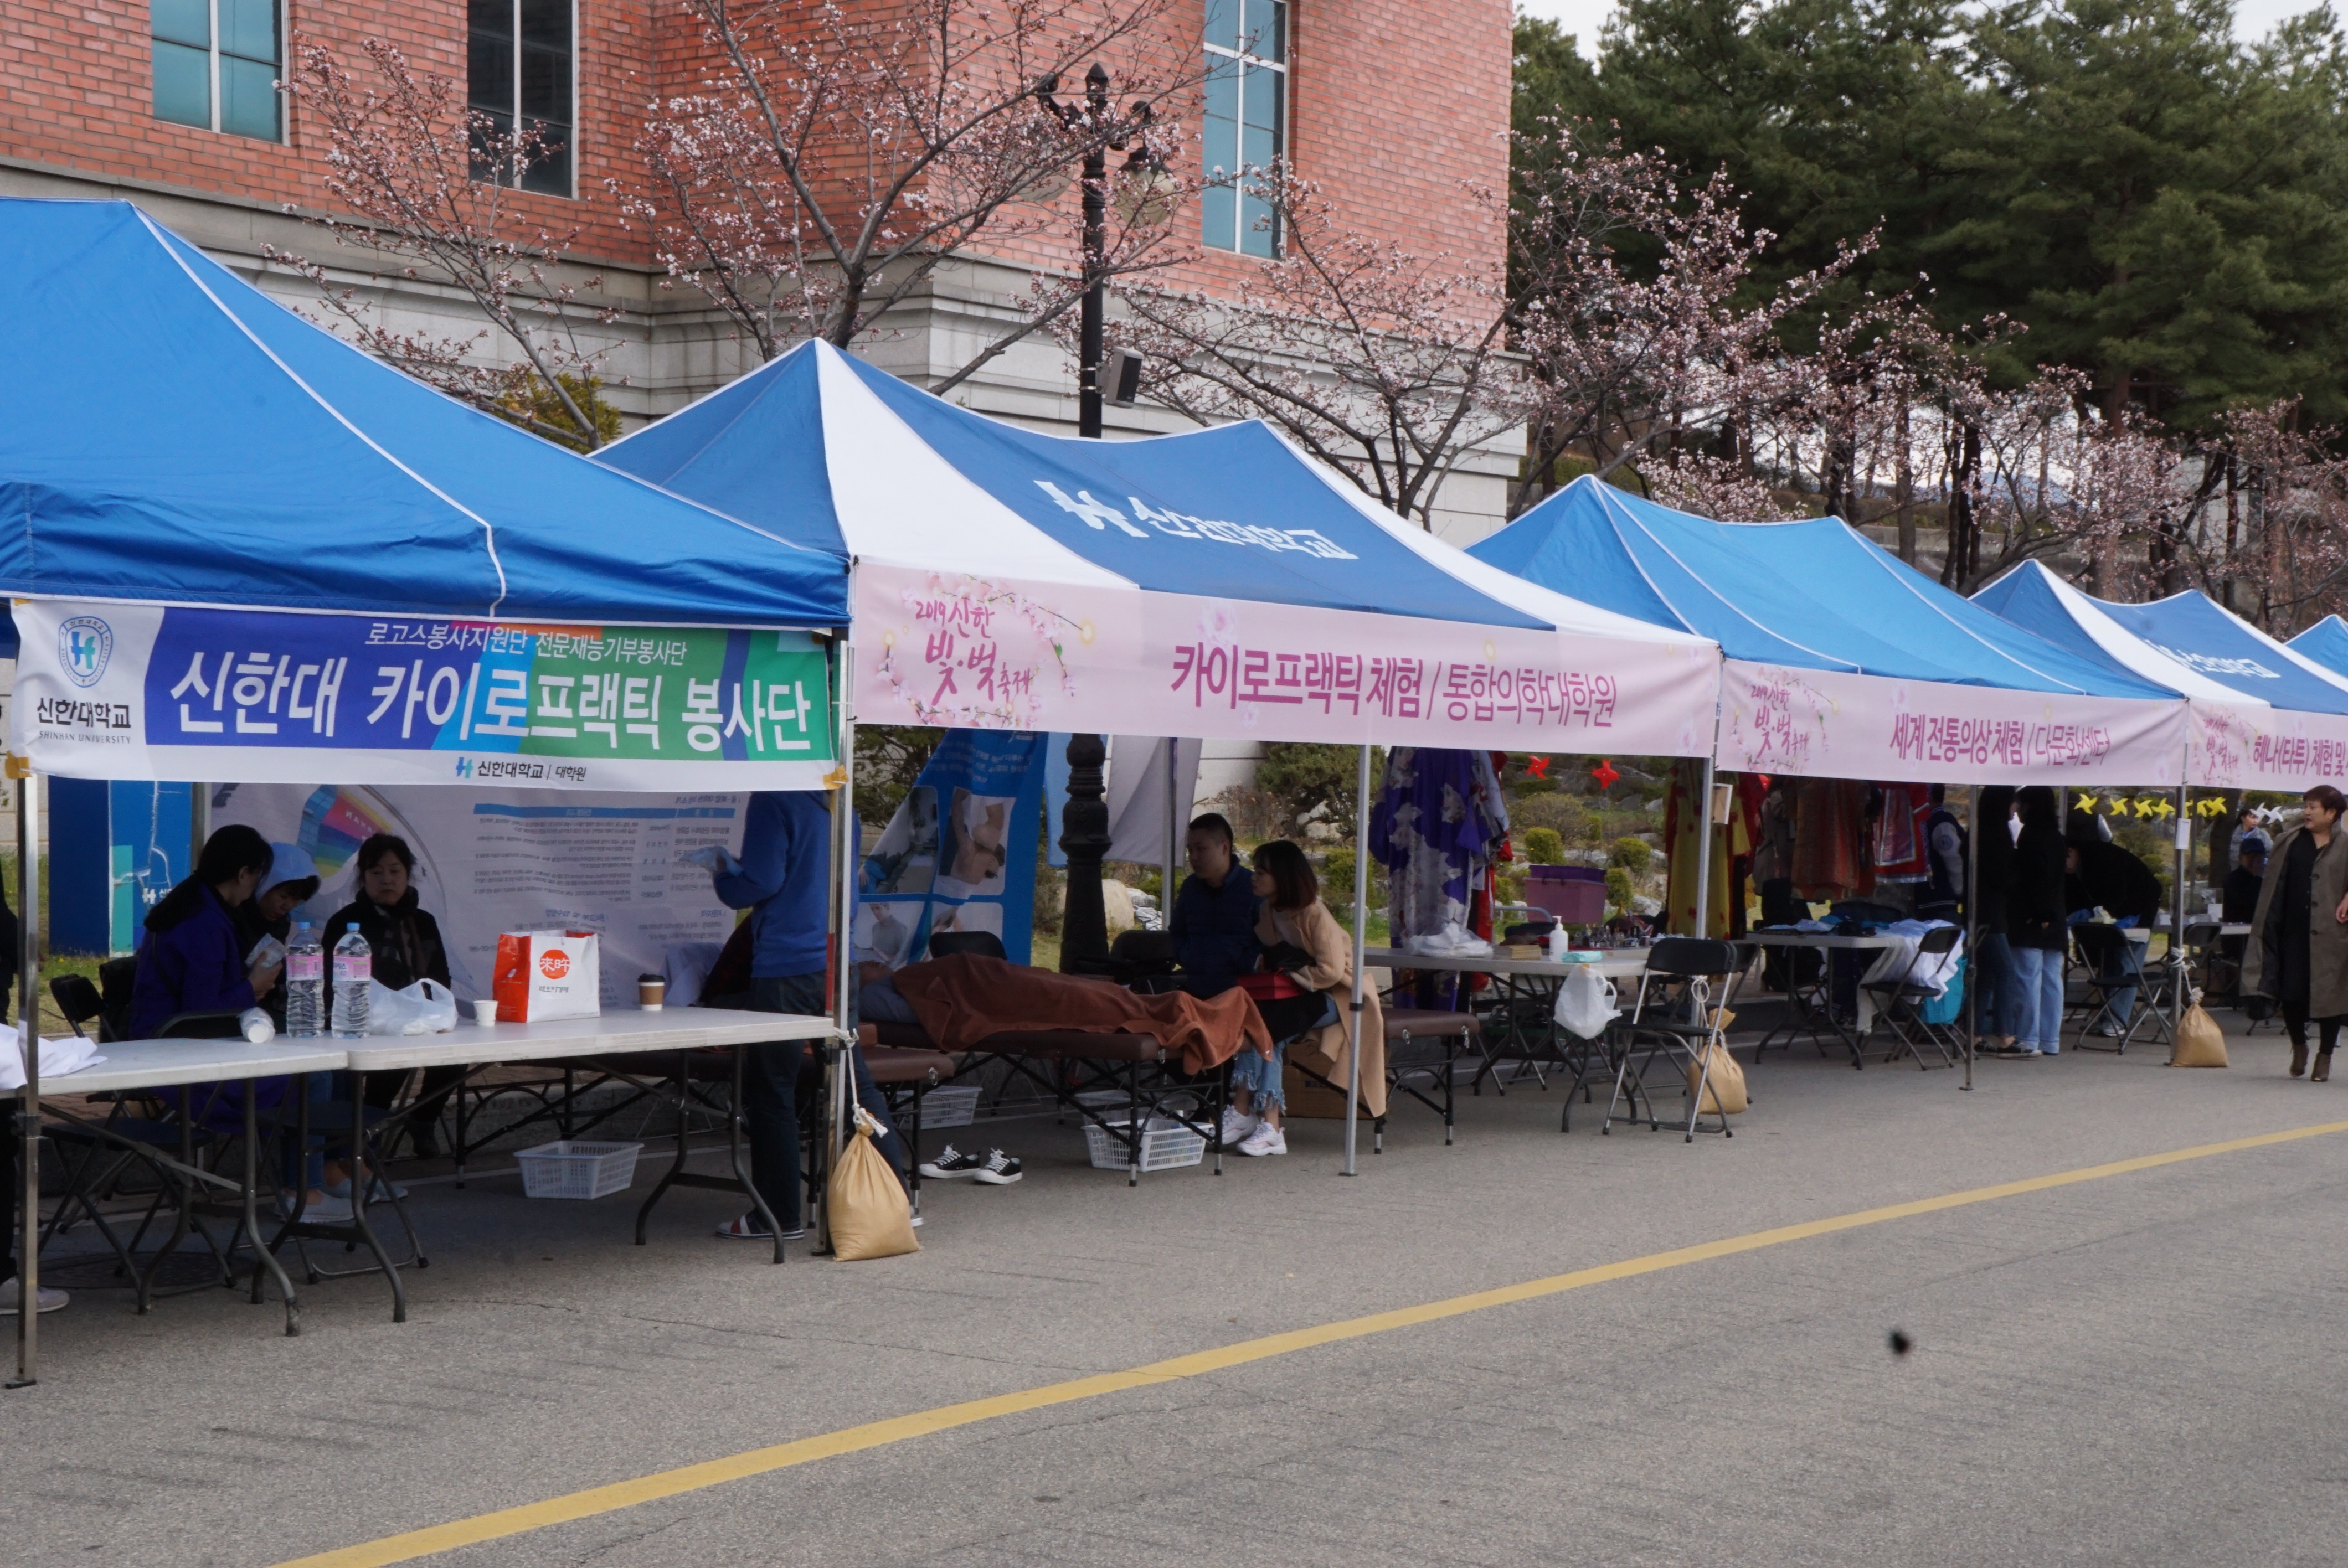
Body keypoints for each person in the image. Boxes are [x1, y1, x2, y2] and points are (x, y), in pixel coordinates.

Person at [706, 791, 912, 1241]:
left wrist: (722, 875)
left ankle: (777, 1216)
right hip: (839, 964)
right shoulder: (842, 800)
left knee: (771, 1090)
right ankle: (894, 1198)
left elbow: (761, 880)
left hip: (786, 965)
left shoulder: (774, 801)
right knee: (854, 1085)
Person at [128, 827, 345, 1216]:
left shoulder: (197, 905)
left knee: (316, 1062)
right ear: (245, 873)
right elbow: (203, 1012)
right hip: (180, 1055)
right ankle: (302, 1191)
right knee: (314, 1073)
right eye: (261, 877)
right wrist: (253, 986)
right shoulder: (203, 922)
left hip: (178, 1042)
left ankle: (318, 1176)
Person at [1228, 840, 1381, 1158]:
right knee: (1260, 1027)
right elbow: (1274, 951)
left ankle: (1253, 1116)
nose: (1253, 877)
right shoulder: (1268, 909)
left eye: (1261, 871)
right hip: (1300, 991)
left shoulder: (1314, 913)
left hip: (1340, 994)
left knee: (1267, 1030)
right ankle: (1259, 1121)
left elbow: (1332, 971)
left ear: (1283, 877)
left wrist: (1293, 971)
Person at [327, 834, 460, 1162]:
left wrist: (437, 1015)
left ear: (408, 874)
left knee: (456, 1057)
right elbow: (333, 984)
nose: (387, 879)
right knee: (392, 1063)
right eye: (376, 872)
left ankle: (423, 1120)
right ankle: (368, 1136)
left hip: (419, 1020)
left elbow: (440, 978)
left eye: (395, 871)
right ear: (363, 877)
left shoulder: (423, 922)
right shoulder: (346, 924)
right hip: (370, 1024)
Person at [2247, 786, 2348, 1080]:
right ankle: (2300, 1046)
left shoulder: (2345, 845)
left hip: (2332, 934)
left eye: (2313, 807)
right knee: (2291, 994)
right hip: (2293, 930)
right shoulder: (2289, 841)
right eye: (2306, 806)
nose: (2307, 812)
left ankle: (2325, 1057)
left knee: (2330, 997)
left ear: (2331, 813)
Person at [2066, 830, 2164, 1036]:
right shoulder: (2089, 860)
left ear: (2071, 851)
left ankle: (2117, 1020)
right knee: (2112, 963)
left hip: (2138, 907)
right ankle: (2108, 1016)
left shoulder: (2100, 859)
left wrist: (2098, 912)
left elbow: (2115, 893)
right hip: (2121, 909)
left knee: (2127, 963)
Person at [2002, 787, 2070, 1058]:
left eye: (2021, 803)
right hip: (2056, 916)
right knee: (2052, 980)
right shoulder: (2057, 838)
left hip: (2032, 917)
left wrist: (2036, 913)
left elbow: (2034, 877)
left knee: (2027, 978)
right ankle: (2050, 1039)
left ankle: (2028, 1039)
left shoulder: (2030, 837)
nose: (2017, 809)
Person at [1168, 813, 1260, 995]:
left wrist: (1245, 963)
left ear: (1225, 848)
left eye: (1201, 849)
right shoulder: (1190, 888)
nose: (1193, 857)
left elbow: (1266, 940)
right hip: (1196, 985)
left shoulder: (1254, 888)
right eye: (1190, 850)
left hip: (1242, 991)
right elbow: (1177, 932)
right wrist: (1188, 956)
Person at [234, 842, 321, 1033]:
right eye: (283, 896)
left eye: (296, 900)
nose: (288, 906)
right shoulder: (234, 914)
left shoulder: (281, 922)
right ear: (264, 884)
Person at [1971, 787, 2023, 1053]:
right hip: (1993, 913)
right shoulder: (1997, 837)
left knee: (1986, 976)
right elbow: (2002, 877)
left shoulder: (1977, 832)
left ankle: (1974, 1033)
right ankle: (2005, 1034)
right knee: (2005, 973)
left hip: (1977, 912)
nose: (2014, 809)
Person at [1916, 785, 1966, 922]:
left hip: (1942, 901)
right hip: (1933, 901)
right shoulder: (1929, 822)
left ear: (1929, 797)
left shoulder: (1941, 824)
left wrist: (1959, 892)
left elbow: (1954, 860)